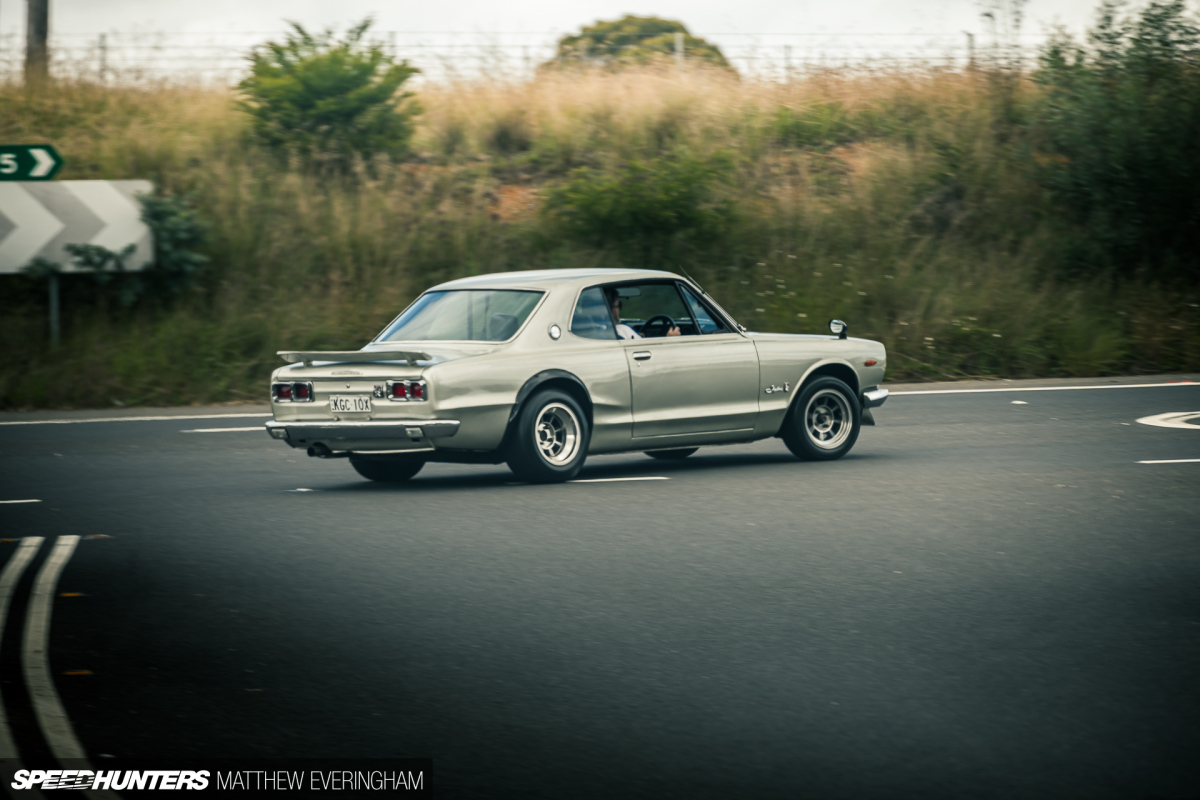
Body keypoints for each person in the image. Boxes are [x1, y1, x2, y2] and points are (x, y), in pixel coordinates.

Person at [608, 290, 680, 339]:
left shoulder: (601, 331)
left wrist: (638, 336)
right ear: (610, 309)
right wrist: (670, 339)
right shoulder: (621, 329)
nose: (619, 310)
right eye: (619, 305)